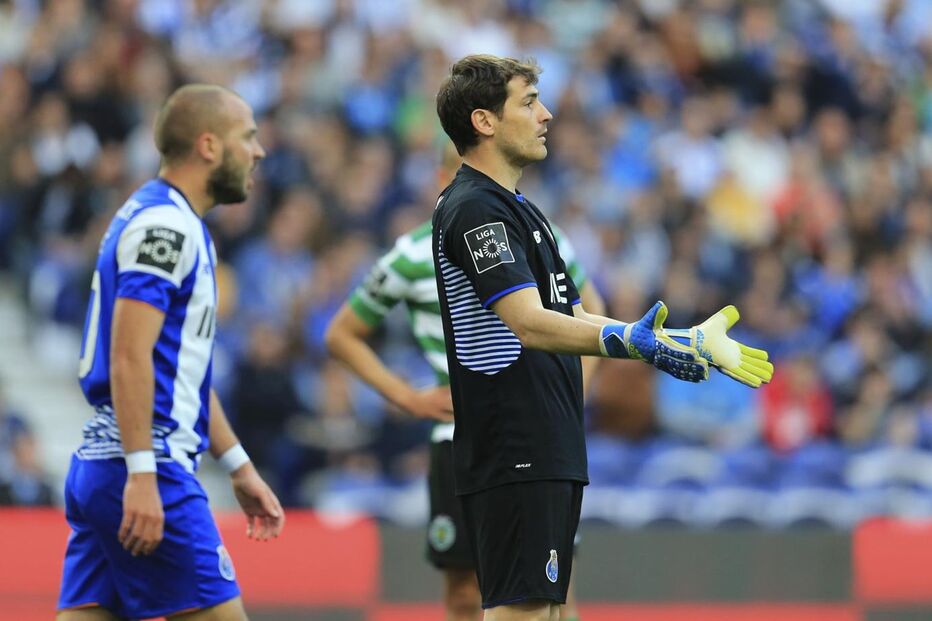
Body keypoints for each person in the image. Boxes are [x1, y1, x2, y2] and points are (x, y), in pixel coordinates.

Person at [432, 55, 773, 621]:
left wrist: (676, 341)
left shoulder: (519, 209)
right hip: (515, 444)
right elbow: (528, 321)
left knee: (547, 610)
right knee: (522, 611)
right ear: (484, 122)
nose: (547, 114)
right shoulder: (474, 210)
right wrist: (630, 344)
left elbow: (568, 313)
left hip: (545, 441)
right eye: (528, 101)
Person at [325, 143, 601, 621]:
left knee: (556, 585)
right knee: (463, 588)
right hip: (457, 437)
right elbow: (342, 333)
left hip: (535, 428)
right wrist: (407, 397)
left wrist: (568, 398)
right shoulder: (412, 254)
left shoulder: (537, 234)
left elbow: (587, 314)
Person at [57, 84, 285, 621]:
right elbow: (129, 357)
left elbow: (181, 373)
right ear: (209, 146)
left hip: (109, 462)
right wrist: (141, 473)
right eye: (247, 137)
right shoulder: (166, 228)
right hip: (146, 463)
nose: (259, 151)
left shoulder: (173, 220)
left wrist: (237, 464)